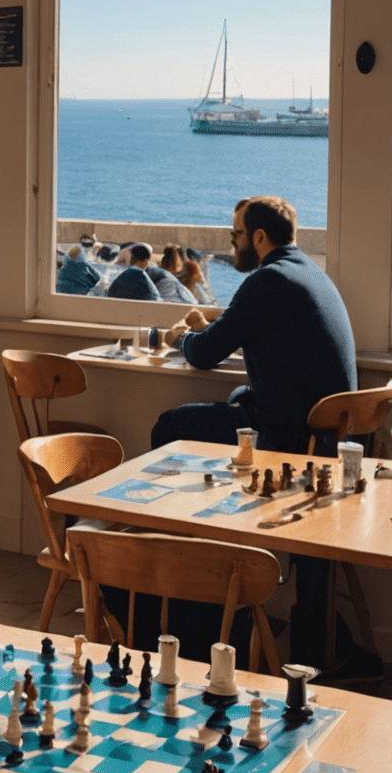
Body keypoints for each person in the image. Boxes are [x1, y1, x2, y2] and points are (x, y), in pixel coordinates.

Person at [152, 195, 359, 671]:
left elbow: (204, 354)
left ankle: (202, 582)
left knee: (170, 427)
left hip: (288, 443)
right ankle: (222, 576)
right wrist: (216, 327)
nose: (232, 242)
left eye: (237, 234)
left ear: (259, 238)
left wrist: (179, 337)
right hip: (325, 440)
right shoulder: (305, 270)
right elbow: (249, 330)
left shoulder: (267, 280)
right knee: (233, 401)